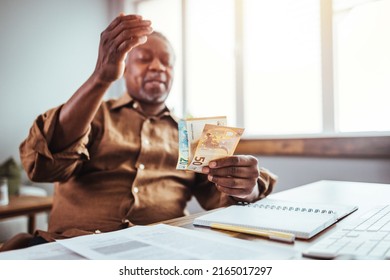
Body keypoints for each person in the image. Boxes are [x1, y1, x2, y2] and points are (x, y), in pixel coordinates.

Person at [0, 14, 276, 252]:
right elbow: (42, 167)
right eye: (144, 59)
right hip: (71, 248)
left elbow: (222, 200)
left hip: (160, 253)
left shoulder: (194, 135)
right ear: (125, 67)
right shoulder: (91, 115)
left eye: (167, 63)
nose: (158, 67)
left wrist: (247, 189)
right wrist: (102, 76)